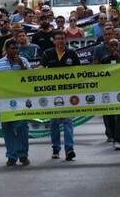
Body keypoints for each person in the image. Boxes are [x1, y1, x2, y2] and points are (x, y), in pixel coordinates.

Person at [41, 30, 80, 160]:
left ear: (65, 39)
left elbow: (80, 72)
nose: (60, 41)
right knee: (54, 122)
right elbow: (40, 71)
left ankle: (69, 149)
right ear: (53, 40)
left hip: (68, 93)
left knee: (68, 121)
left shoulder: (72, 54)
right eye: (57, 38)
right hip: (52, 93)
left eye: (62, 38)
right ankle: (56, 148)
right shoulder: (47, 54)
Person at [0, 38, 31, 166]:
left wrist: (22, 66)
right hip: (4, 101)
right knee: (7, 128)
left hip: (20, 100)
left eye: (16, 48)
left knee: (22, 127)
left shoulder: (23, 61)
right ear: (6, 49)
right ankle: (11, 155)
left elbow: (31, 78)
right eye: (12, 48)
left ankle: (23, 154)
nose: (15, 50)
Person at [100, 39, 120, 150]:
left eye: (116, 45)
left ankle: (118, 139)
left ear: (119, 46)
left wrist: (118, 57)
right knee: (109, 115)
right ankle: (111, 134)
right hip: (108, 90)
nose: (114, 47)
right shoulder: (104, 59)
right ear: (108, 47)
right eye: (112, 45)